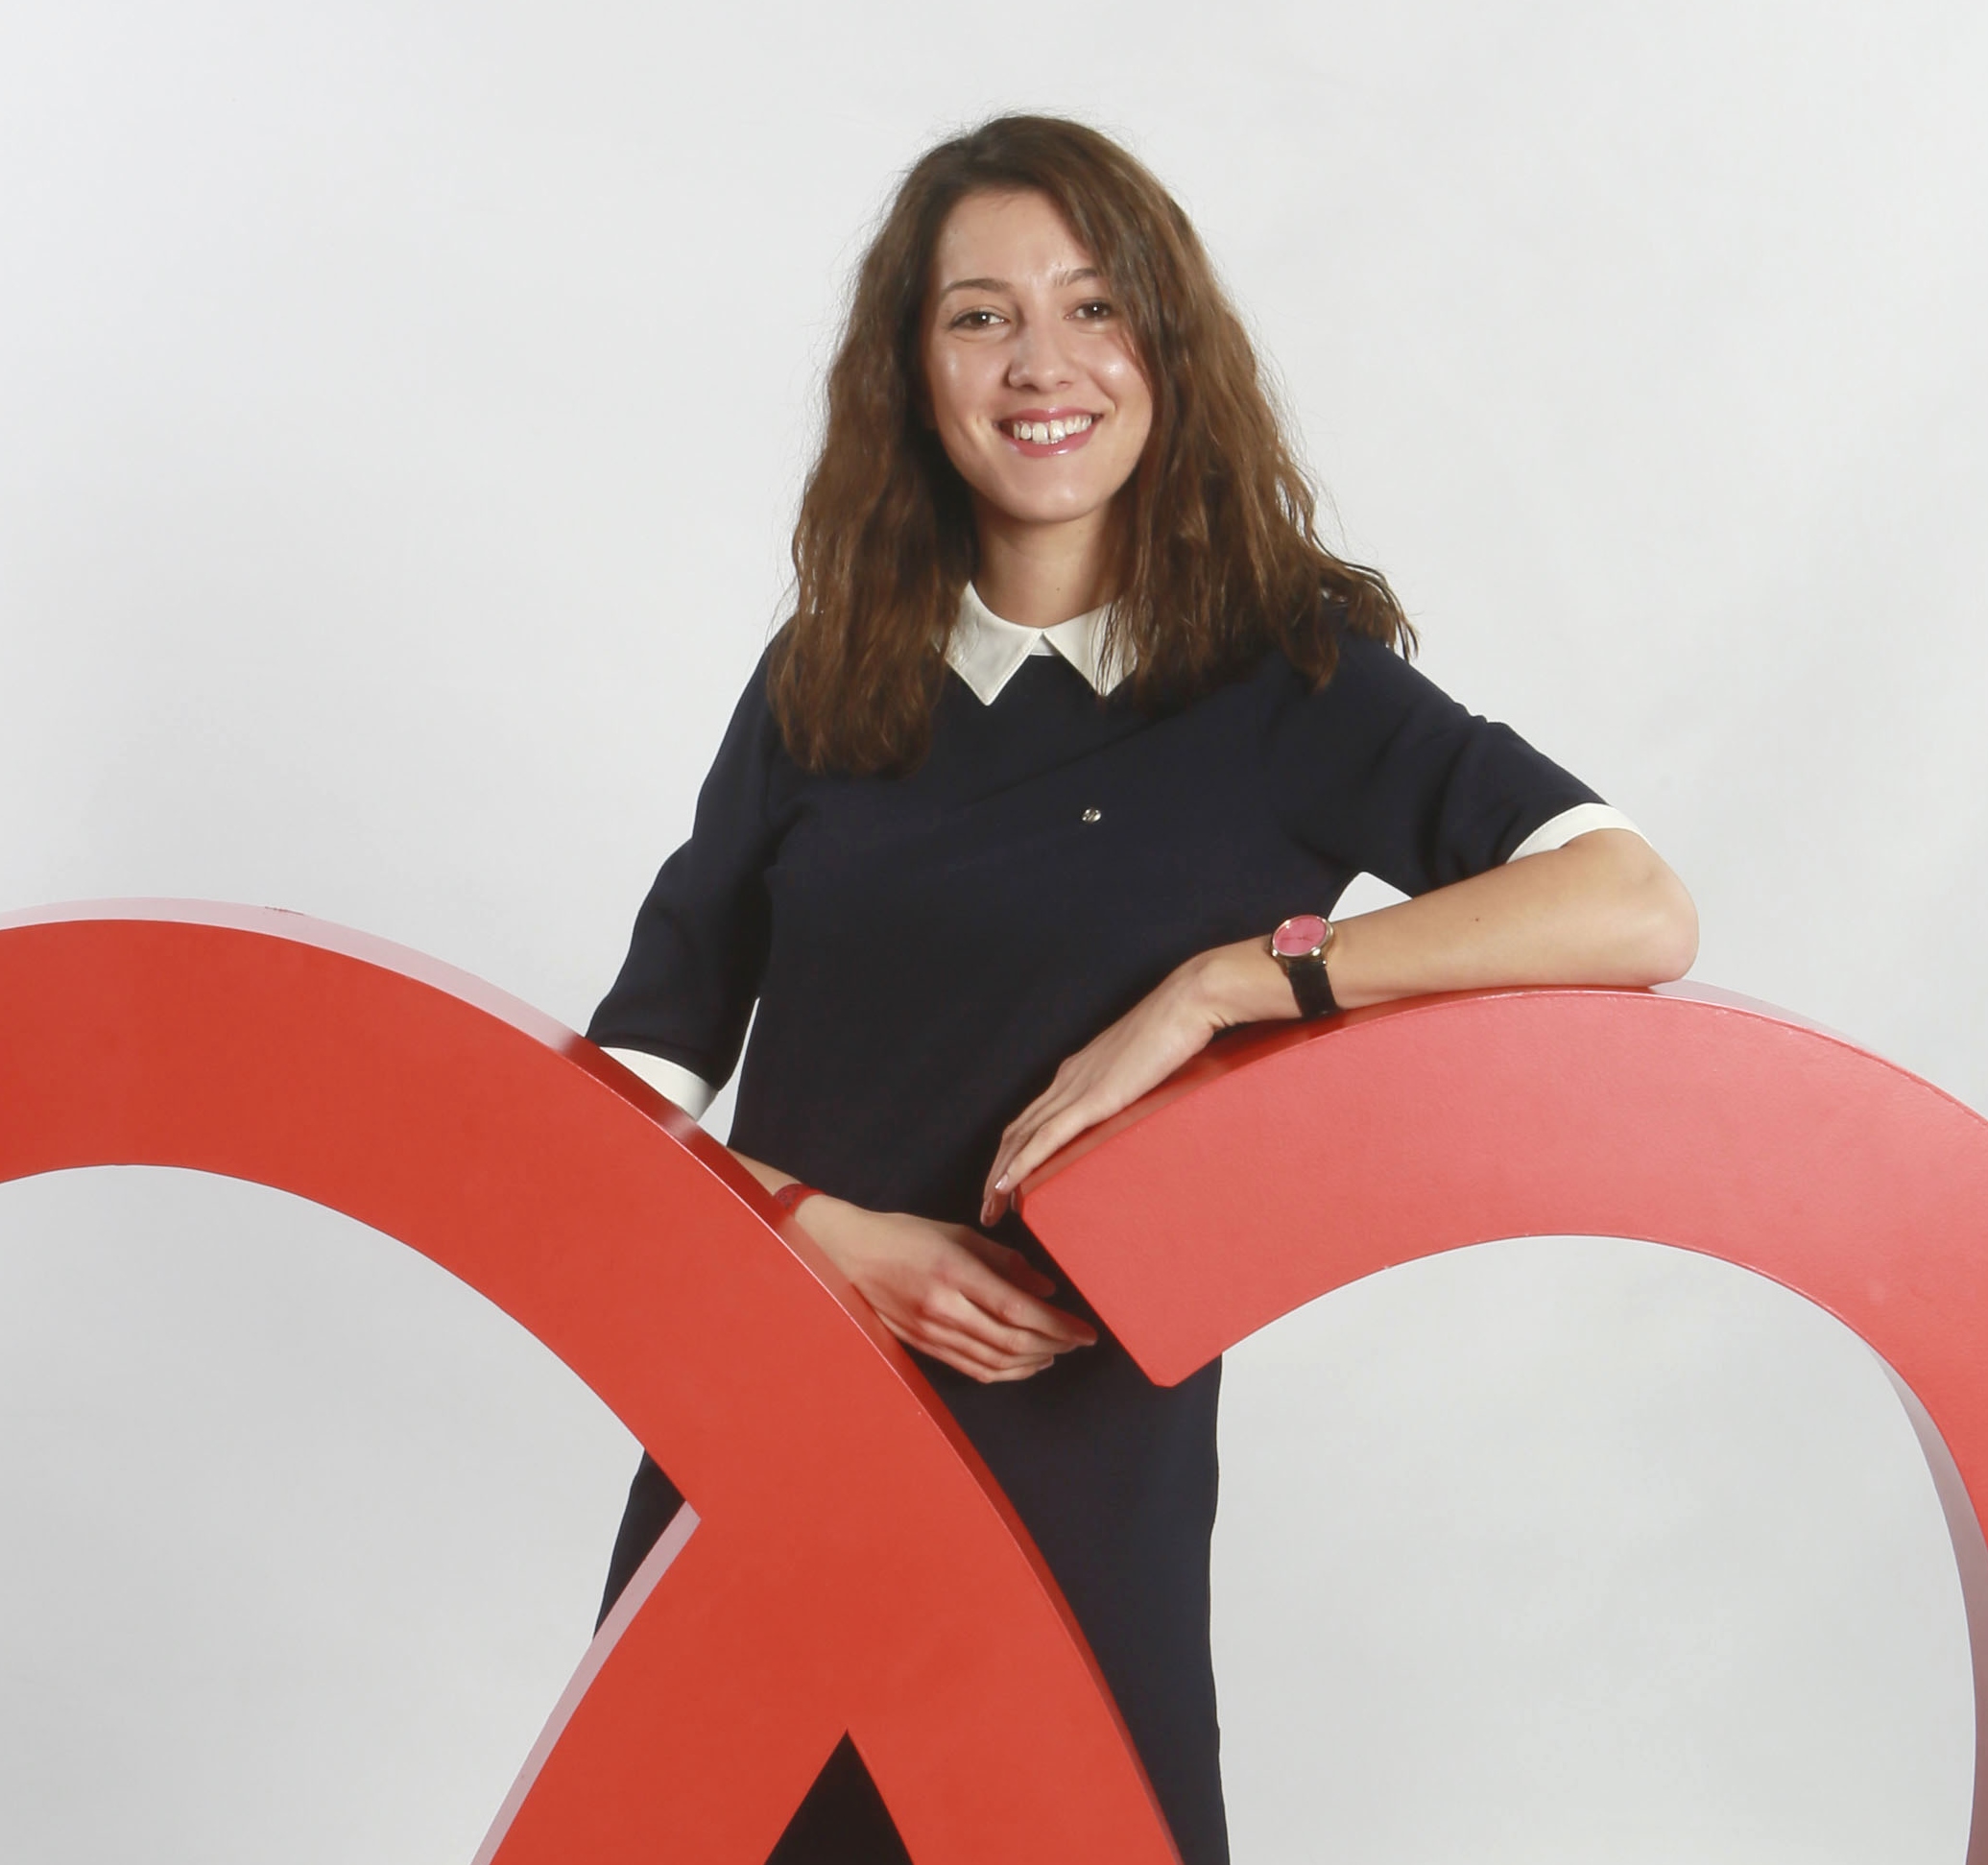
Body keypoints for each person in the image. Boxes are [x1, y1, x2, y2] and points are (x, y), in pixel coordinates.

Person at [586, 113, 1697, 1863]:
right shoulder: (824, 677)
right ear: (913, 371)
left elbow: (1629, 902)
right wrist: (822, 1236)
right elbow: (608, 1116)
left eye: (1093, 306)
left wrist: (1235, 984)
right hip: (766, 1453)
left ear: (1166, 347)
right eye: (981, 316)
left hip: (1081, 1494)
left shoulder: (1289, 682)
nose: (1044, 363)